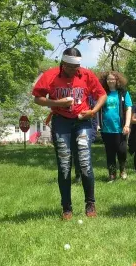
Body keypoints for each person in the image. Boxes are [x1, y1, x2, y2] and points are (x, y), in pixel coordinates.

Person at [32, 48, 107, 220]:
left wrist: (93, 111)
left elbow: (102, 95)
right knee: (65, 164)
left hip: (83, 121)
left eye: (78, 66)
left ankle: (90, 204)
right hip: (61, 121)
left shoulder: (87, 75)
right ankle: (66, 208)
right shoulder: (50, 76)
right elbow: (37, 98)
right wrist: (56, 102)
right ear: (63, 64)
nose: (76, 70)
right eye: (72, 67)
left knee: (85, 161)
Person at [98, 71, 133, 181]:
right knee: (110, 152)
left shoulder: (123, 93)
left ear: (117, 80)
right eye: (108, 79)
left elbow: (128, 108)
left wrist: (127, 125)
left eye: (112, 79)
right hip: (106, 129)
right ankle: (112, 174)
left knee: (122, 150)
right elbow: (98, 109)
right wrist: (98, 124)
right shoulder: (103, 93)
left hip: (120, 128)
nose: (110, 81)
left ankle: (123, 170)